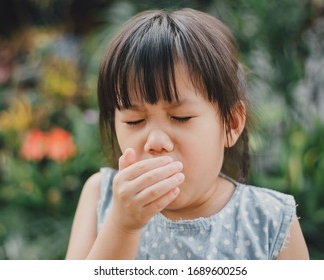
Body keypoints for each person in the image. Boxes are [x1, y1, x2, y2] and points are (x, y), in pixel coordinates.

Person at [65, 8, 309, 260]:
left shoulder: (270, 221)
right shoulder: (100, 195)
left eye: (180, 117)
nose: (156, 141)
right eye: (134, 121)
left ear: (231, 124)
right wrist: (122, 226)